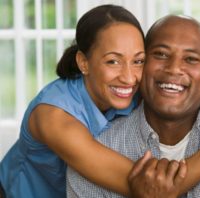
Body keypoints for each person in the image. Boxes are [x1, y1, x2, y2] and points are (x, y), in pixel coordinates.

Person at [66, 15, 200, 198]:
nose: (174, 68)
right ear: (142, 63)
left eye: (190, 59)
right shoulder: (98, 154)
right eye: (160, 54)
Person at [0, 4, 146, 198]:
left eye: (138, 61)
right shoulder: (54, 116)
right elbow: (142, 184)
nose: (129, 78)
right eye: (113, 61)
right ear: (83, 62)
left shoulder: (129, 93)